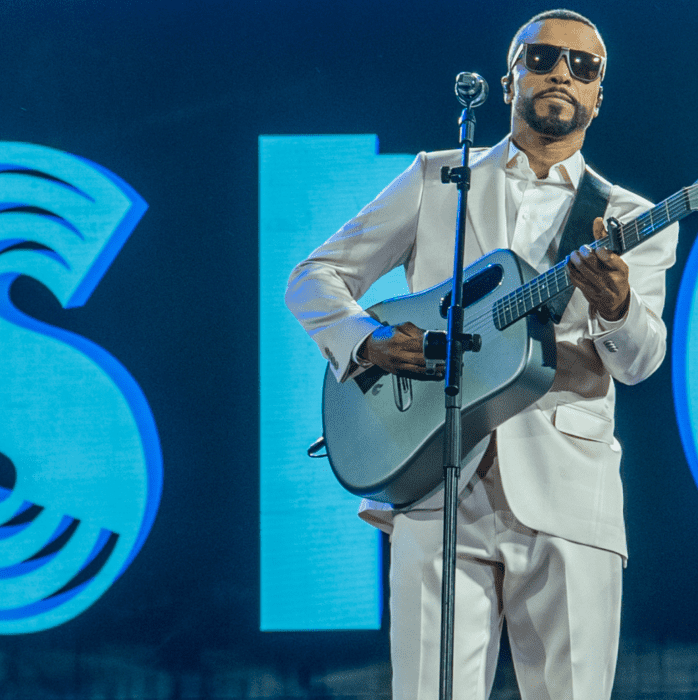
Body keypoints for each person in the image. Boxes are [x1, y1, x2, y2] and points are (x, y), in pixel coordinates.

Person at [286, 9, 678, 699]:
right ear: (510, 79)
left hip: (569, 499)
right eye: (544, 57)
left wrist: (616, 305)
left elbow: (640, 362)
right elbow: (314, 278)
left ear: (598, 96)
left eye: (583, 67)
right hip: (434, 481)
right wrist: (365, 342)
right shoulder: (438, 178)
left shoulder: (627, 217)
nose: (562, 72)